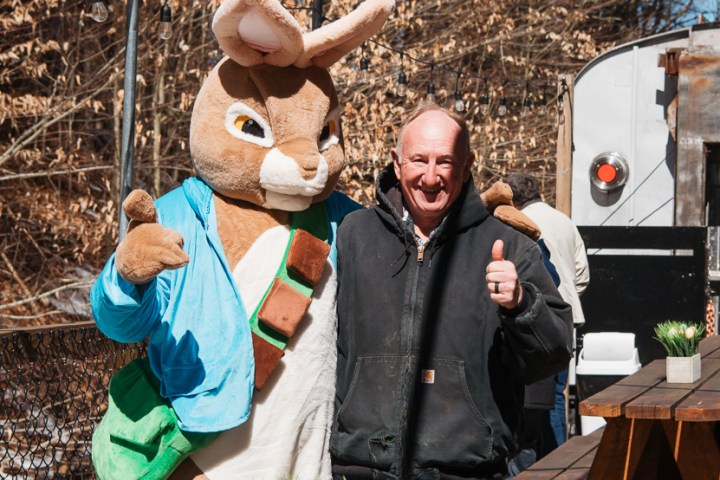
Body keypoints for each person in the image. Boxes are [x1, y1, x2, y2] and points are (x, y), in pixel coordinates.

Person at [330, 103, 573, 479]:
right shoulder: (353, 236)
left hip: (467, 471)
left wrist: (520, 305)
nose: (430, 177)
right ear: (396, 163)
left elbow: (552, 355)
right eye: (418, 160)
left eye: (444, 161)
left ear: (467, 164)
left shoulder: (509, 246)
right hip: (363, 468)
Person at [505, 172, 590, 449]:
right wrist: (567, 298)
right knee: (557, 392)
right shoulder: (564, 221)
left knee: (537, 395)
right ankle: (560, 454)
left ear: (512, 200)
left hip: (537, 314)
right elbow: (582, 273)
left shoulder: (519, 224)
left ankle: (548, 456)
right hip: (568, 314)